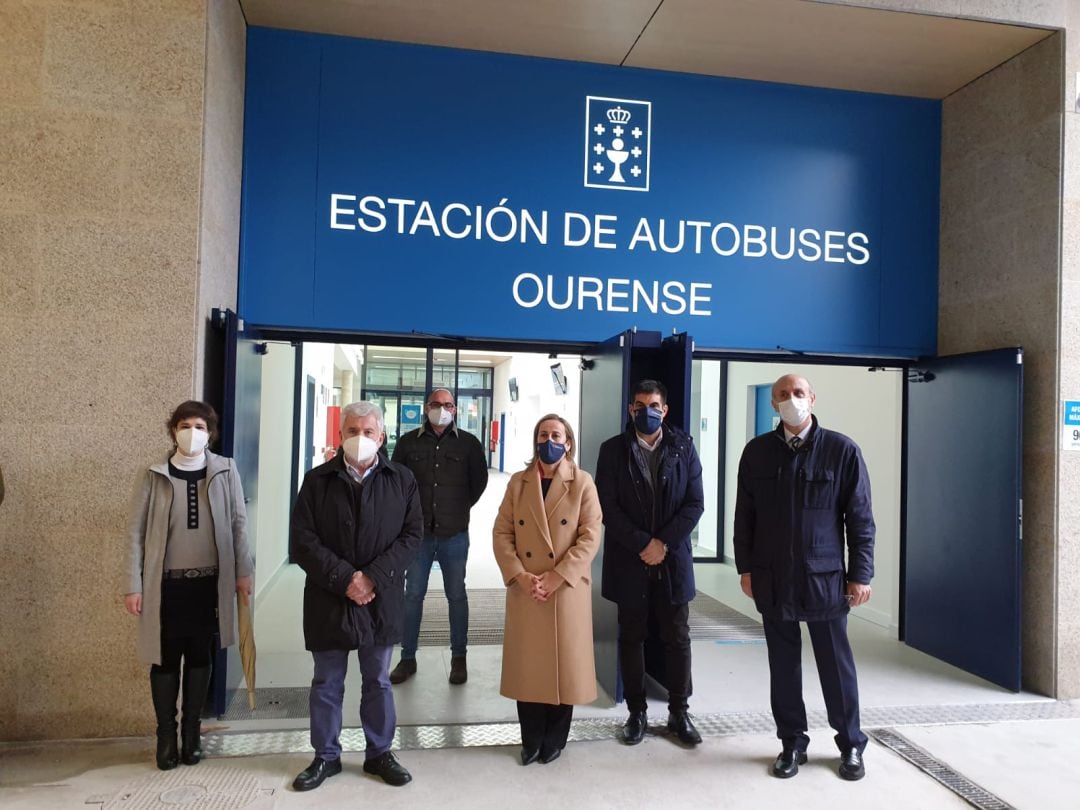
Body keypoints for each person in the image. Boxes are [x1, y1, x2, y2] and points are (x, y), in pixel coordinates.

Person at [734, 374, 875, 781]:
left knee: (836, 666)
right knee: (783, 666)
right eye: (782, 395)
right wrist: (745, 567)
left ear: (812, 398)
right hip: (773, 577)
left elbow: (860, 519)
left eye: (798, 393)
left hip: (825, 580)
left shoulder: (841, 450)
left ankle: (850, 744)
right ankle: (792, 743)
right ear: (773, 404)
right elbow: (745, 517)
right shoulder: (757, 453)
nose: (791, 400)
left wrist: (860, 573)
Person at [290, 401, 423, 791]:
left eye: (368, 432)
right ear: (340, 436)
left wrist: (373, 579)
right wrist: (347, 578)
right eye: (353, 431)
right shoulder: (317, 481)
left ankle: (379, 753)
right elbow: (302, 541)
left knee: (378, 680)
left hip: (379, 598)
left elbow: (411, 536)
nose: (360, 439)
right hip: (329, 596)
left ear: (381, 437)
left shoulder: (402, 479)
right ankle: (325, 756)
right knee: (327, 682)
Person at [124, 401, 253, 770]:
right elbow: (134, 533)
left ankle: (191, 735)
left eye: (200, 425)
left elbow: (238, 524)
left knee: (200, 657)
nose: (192, 432)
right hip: (165, 587)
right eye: (185, 424)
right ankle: (166, 735)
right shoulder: (153, 474)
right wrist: (133, 584)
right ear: (173, 430)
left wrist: (244, 572)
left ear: (210, 432)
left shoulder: (226, 470)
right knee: (164, 660)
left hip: (209, 585)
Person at [596, 380, 704, 748]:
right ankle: (636, 712)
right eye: (639, 405)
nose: (647, 411)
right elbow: (607, 506)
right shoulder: (612, 451)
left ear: (665, 409)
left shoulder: (684, 447)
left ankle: (679, 711)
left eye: (654, 404)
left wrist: (663, 543)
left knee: (677, 637)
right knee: (631, 637)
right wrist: (644, 543)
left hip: (672, 560)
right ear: (630, 409)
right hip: (630, 559)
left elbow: (695, 503)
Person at [493, 414, 602, 765]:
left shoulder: (582, 482)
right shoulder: (518, 483)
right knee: (529, 667)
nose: (549, 440)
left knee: (563, 666)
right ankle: (530, 739)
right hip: (528, 587)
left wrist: (558, 576)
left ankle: (555, 738)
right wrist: (520, 575)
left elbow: (590, 536)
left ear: (568, 442)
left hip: (564, 588)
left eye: (556, 434)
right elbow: (502, 533)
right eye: (543, 434)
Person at [389, 388, 488, 685]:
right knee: (412, 595)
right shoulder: (408, 443)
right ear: (426, 408)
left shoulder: (469, 444)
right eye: (435, 404)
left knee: (456, 595)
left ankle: (459, 658)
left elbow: (478, 482)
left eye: (447, 405)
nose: (441, 409)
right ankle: (407, 659)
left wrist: (457, 508)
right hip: (417, 535)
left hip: (454, 533)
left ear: (455, 410)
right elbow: (397, 482)